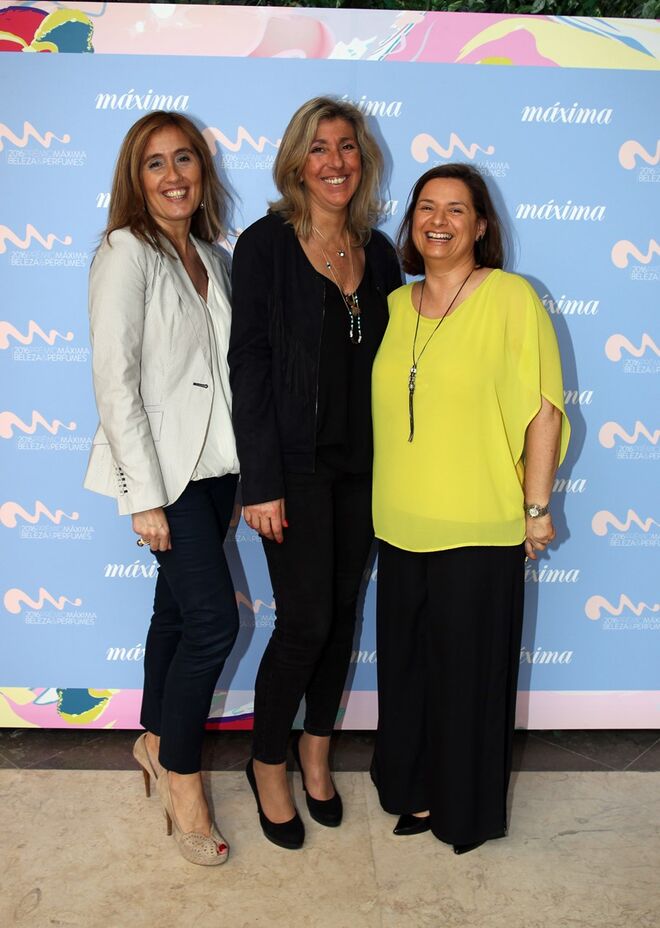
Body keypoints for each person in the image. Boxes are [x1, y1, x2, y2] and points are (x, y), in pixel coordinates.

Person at [370, 163, 570, 853]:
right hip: (398, 526)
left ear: (481, 225)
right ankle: (417, 791)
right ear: (411, 222)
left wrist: (536, 507)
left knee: (470, 681)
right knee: (409, 674)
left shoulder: (510, 297)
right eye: (427, 206)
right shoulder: (396, 306)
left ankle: (467, 813)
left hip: (480, 528)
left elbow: (543, 409)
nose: (440, 220)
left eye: (458, 209)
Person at [229, 96, 401, 849]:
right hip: (292, 471)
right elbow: (251, 366)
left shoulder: (381, 250)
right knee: (304, 624)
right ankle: (267, 763)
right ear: (298, 160)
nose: (335, 162)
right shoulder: (266, 245)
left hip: (366, 472)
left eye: (348, 148)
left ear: (362, 160)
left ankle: (316, 753)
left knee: (341, 621)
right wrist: (258, 482)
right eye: (319, 148)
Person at [84, 111, 240, 866]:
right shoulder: (126, 252)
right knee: (215, 625)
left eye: (184, 159)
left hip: (218, 472)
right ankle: (182, 776)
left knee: (177, 616)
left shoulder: (215, 252)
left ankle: (153, 737)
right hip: (163, 473)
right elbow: (115, 381)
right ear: (134, 178)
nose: (174, 174)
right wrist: (142, 493)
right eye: (155, 163)